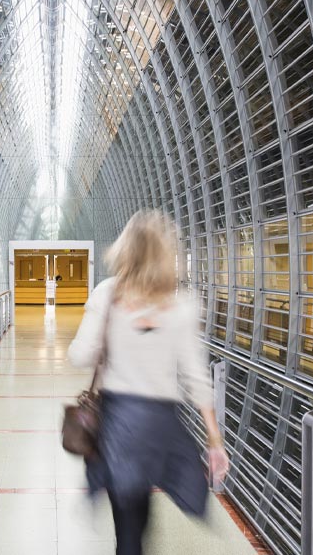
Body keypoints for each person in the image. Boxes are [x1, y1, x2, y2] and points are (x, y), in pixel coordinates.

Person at [68, 210, 229, 555]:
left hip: (119, 424)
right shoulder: (182, 306)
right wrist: (214, 440)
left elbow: (79, 355)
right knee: (140, 512)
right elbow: (197, 378)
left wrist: (105, 343)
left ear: (124, 250)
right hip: (160, 427)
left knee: (127, 517)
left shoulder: (106, 295)